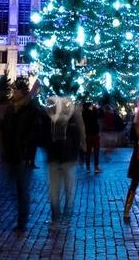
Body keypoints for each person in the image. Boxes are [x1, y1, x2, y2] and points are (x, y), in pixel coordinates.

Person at [0, 78, 42, 232]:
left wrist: (25, 146)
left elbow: (35, 130)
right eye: (14, 91)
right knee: (10, 189)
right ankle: (11, 218)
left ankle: (21, 222)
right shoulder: (11, 109)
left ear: (22, 92)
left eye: (16, 91)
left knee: (21, 190)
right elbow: (4, 129)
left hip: (22, 155)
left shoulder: (30, 109)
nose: (14, 93)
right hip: (10, 154)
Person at [46, 96, 83, 224]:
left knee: (66, 189)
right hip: (56, 159)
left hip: (67, 160)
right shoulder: (51, 121)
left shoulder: (72, 120)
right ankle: (57, 215)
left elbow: (77, 137)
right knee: (57, 191)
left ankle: (64, 213)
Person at [81, 102, 101, 172]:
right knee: (96, 151)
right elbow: (101, 115)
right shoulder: (94, 112)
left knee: (88, 152)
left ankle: (88, 167)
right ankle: (96, 167)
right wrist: (96, 108)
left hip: (87, 134)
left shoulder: (83, 114)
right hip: (95, 134)